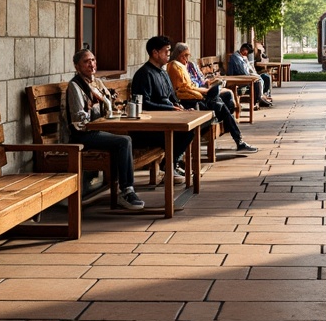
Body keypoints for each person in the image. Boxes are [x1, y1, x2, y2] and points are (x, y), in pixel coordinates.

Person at [62, 47, 145, 211]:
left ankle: (125, 188)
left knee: (127, 138)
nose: (91, 64)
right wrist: (93, 106)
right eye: (86, 62)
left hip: (95, 131)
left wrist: (109, 104)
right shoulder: (75, 86)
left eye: (92, 60)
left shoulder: (96, 82)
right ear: (77, 67)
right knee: (123, 141)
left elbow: (109, 106)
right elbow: (78, 119)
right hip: (81, 135)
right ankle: (126, 191)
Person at [167, 43, 257, 154]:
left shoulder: (182, 65)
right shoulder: (175, 66)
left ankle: (236, 137)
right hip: (191, 101)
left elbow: (191, 86)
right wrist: (206, 91)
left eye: (187, 56)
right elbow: (185, 88)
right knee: (221, 103)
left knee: (222, 100)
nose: (186, 59)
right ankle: (238, 139)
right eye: (184, 56)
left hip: (198, 96)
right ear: (178, 55)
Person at [130, 35, 197, 179]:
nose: (169, 54)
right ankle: (169, 165)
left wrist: (179, 106)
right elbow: (144, 104)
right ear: (155, 53)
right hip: (150, 127)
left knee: (191, 129)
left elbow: (172, 96)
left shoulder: (163, 71)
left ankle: (171, 164)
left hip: (168, 121)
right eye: (166, 51)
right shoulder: (144, 74)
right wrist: (171, 109)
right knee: (183, 133)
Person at [228, 43, 273, 107]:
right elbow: (242, 71)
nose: (247, 54)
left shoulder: (242, 57)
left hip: (246, 76)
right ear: (243, 49)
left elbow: (249, 69)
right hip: (239, 78)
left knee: (266, 77)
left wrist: (253, 73)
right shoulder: (236, 57)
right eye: (247, 52)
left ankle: (263, 96)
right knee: (257, 81)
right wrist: (252, 75)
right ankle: (258, 99)